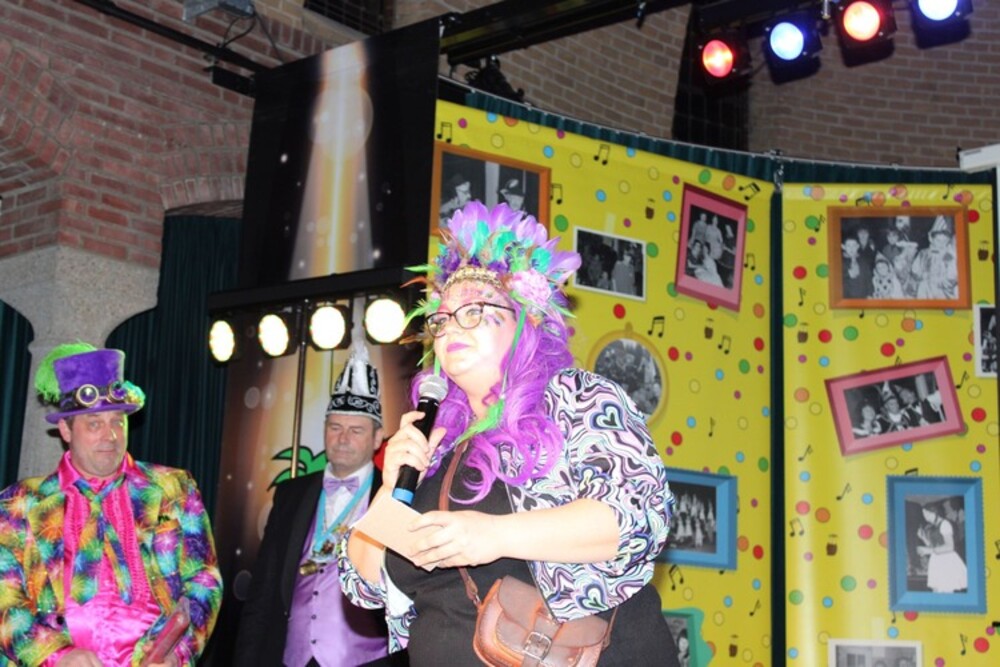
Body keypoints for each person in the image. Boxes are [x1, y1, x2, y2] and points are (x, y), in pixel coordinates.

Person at [339, 201, 678, 665]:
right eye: (442, 318)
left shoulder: (575, 397)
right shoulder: (435, 440)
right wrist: (389, 488)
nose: (450, 327)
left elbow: (636, 517)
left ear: (525, 318)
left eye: (473, 310)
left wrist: (494, 535)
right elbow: (362, 583)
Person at [0, 343, 222, 666]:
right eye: (94, 423)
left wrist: (177, 653)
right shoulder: (18, 503)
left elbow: (204, 579)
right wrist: (55, 656)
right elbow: (4, 598)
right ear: (65, 429)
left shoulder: (173, 489)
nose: (111, 436)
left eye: (118, 421)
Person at [236, 342, 404, 667]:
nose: (343, 438)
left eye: (356, 430)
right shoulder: (290, 494)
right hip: (292, 657)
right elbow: (263, 591)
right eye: (335, 427)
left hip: (367, 660)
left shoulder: (395, 495)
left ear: (377, 437)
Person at [916, 502, 967, 593]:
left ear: (934, 512)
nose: (925, 517)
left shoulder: (945, 524)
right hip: (937, 560)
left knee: (945, 590)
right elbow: (935, 546)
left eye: (927, 514)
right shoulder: (934, 526)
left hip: (946, 561)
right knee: (937, 591)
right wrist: (923, 538)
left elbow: (950, 546)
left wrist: (928, 551)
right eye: (924, 514)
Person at [912, 215, 959, 300]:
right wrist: (922, 276)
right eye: (938, 240)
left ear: (948, 241)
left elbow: (953, 277)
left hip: (942, 293)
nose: (940, 244)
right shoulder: (923, 254)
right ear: (931, 239)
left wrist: (939, 282)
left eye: (944, 241)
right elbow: (915, 271)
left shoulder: (949, 256)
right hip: (924, 291)